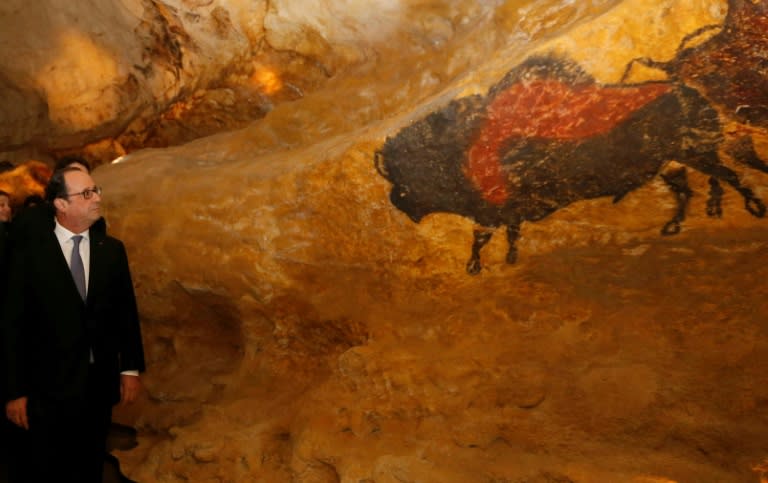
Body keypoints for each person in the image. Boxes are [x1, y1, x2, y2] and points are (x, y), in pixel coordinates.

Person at [2, 167, 145, 482]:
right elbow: (13, 326)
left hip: (97, 387)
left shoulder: (112, 250)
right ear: (61, 205)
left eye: (96, 191)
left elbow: (125, 312)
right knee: (46, 469)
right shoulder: (30, 254)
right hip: (45, 390)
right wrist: (14, 392)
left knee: (89, 466)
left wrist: (130, 369)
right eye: (86, 194)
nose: (96, 199)